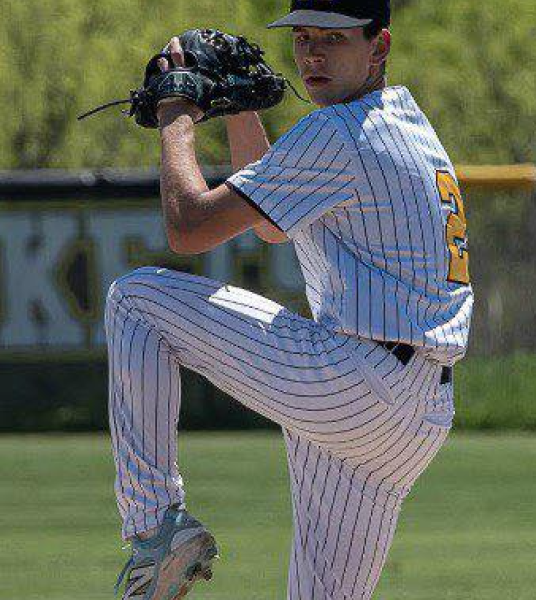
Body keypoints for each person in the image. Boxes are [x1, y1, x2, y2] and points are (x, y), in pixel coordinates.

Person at [107, 1, 473, 598]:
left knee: (136, 302)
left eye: (333, 38)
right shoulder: (399, 124)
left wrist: (178, 112)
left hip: (354, 381)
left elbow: (189, 227)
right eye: (303, 38)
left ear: (378, 48)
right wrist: (244, 108)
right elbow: (275, 223)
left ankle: (154, 528)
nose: (313, 55)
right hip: (414, 417)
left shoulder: (339, 133)